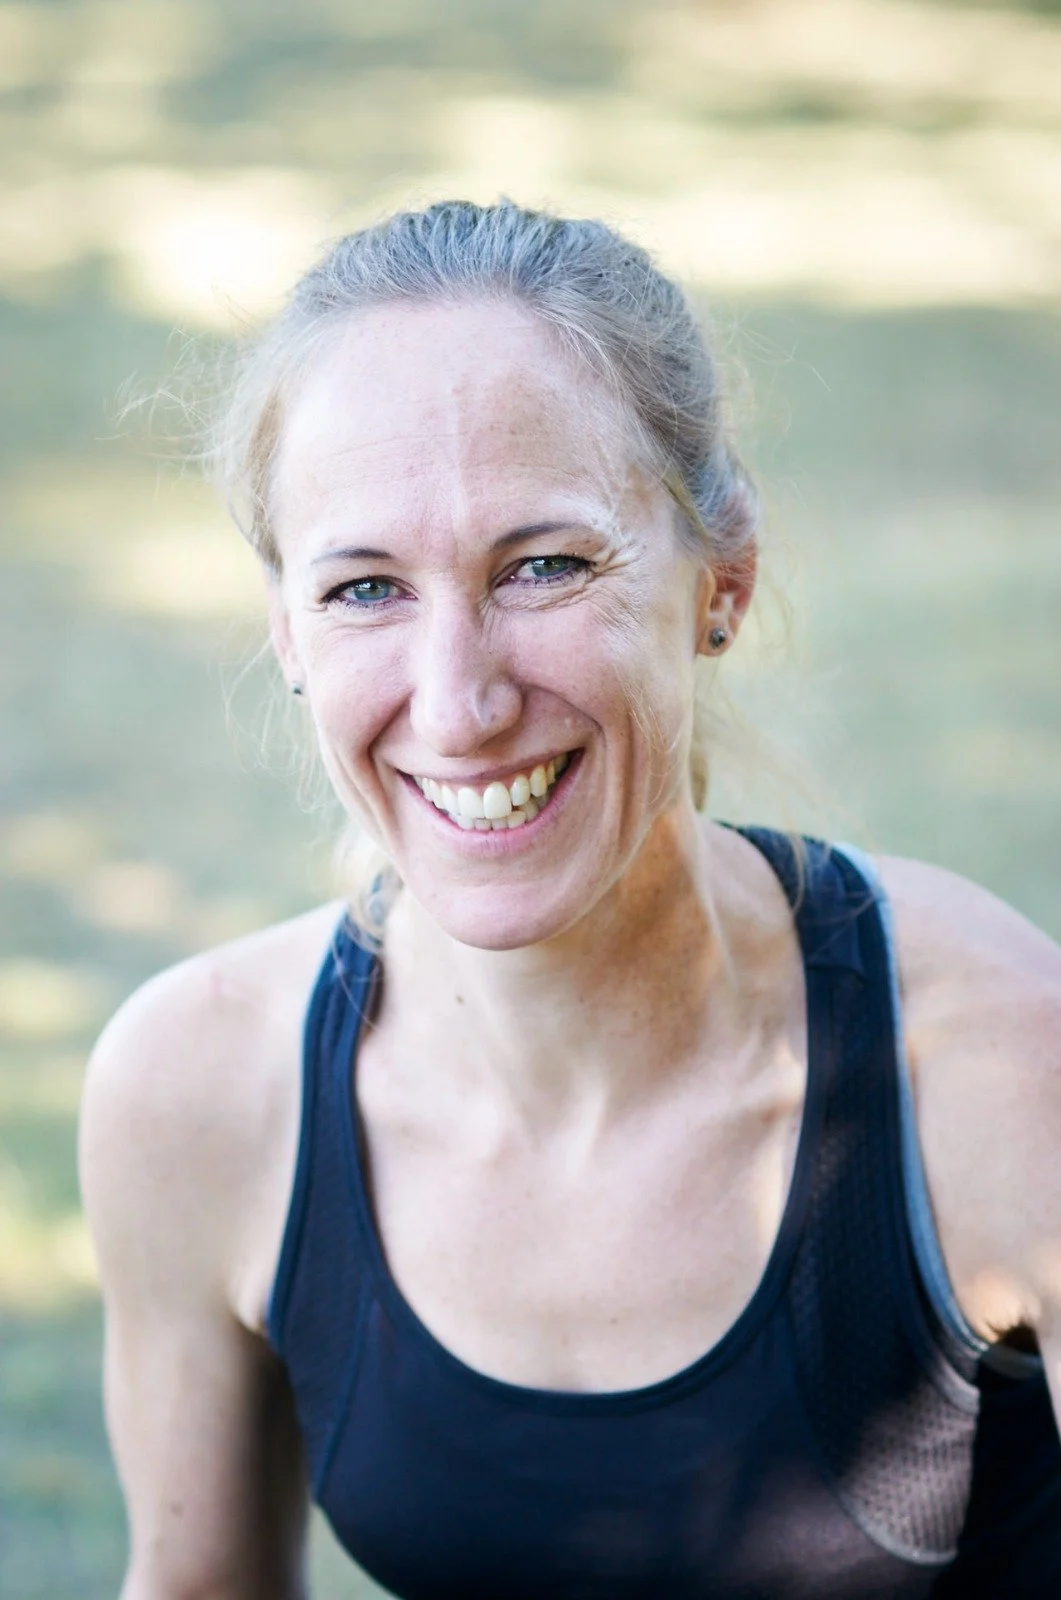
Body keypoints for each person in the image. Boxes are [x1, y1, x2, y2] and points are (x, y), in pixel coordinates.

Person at [79, 200, 1061, 1600]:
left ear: (722, 581)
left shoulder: (1000, 1066)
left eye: (545, 566)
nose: (459, 701)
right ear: (286, 630)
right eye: (366, 588)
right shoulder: (196, 1095)